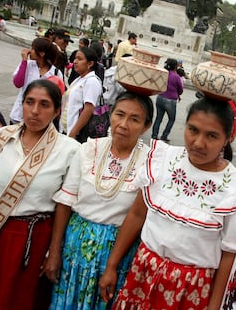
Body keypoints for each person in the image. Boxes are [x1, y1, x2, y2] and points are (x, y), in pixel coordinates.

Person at [99, 97, 236, 310]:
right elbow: (137, 215)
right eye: (193, 130)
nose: (198, 143)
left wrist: (215, 305)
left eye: (212, 136)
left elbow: (229, 255)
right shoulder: (162, 160)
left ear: (229, 137)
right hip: (142, 273)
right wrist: (112, 266)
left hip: (190, 289)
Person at [46, 91, 154, 309]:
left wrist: (113, 265)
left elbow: (140, 215)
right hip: (75, 249)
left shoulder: (150, 162)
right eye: (119, 115)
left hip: (118, 255)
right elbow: (65, 202)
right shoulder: (88, 149)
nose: (123, 124)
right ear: (110, 115)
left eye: (134, 119)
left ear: (146, 126)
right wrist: (54, 252)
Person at [0, 79, 80, 310]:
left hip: (28, 239)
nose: (34, 111)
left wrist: (54, 251)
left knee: (14, 299)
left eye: (44, 105)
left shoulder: (69, 149)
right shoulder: (1, 136)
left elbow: (64, 205)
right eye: (29, 102)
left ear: (57, 111)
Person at [9, 37, 63, 124]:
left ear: (41, 53)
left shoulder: (56, 73)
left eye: (33, 49)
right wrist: (24, 61)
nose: (30, 51)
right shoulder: (27, 65)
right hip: (19, 115)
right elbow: (18, 83)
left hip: (40, 118)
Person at [60, 46, 103, 142]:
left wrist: (73, 133)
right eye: (75, 58)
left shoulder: (92, 81)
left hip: (76, 135)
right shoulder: (79, 79)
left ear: (90, 63)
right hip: (66, 130)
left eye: (79, 59)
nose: (75, 61)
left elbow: (89, 109)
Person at [151, 58, 183, 142]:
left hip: (160, 97)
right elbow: (181, 90)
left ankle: (154, 135)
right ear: (175, 67)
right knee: (171, 119)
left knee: (158, 118)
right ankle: (164, 135)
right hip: (170, 100)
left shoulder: (163, 73)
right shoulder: (176, 77)